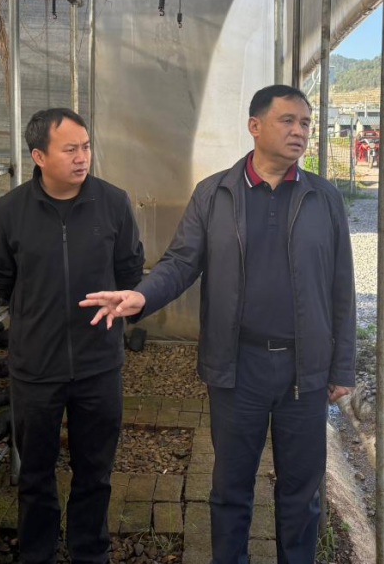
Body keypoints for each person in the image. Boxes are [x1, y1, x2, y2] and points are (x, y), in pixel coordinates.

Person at [81, 85, 356, 564]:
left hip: (304, 369)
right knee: (230, 489)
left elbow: (341, 287)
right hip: (237, 367)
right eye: (287, 120)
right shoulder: (215, 193)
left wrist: (342, 366)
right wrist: (142, 295)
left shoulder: (324, 197)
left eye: (305, 123)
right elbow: (181, 262)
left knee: (301, 494)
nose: (299, 131)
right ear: (255, 126)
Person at [0, 108, 145, 564]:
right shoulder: (8, 211)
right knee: (35, 473)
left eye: (86, 147)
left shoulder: (113, 203)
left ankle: (88, 552)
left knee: (94, 472)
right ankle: (36, 553)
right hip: (35, 369)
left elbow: (130, 269)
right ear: (39, 156)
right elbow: (2, 280)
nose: (82, 157)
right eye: (70, 149)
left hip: (98, 366)